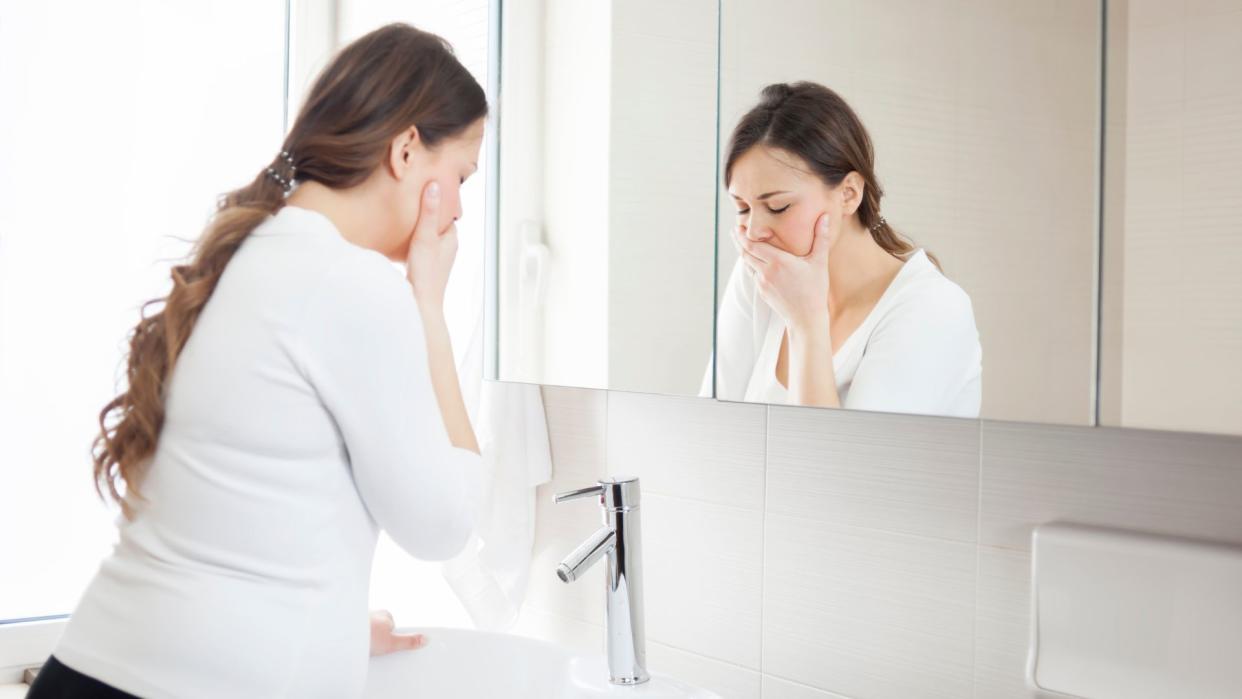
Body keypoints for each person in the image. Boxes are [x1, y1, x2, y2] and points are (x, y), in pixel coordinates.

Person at [28, 23, 487, 698]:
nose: (459, 209)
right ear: (408, 150)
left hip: (98, 672)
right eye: (460, 175)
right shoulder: (351, 286)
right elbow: (444, 523)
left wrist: (328, 625)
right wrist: (428, 306)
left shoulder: (249, 256)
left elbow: (235, 506)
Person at [710, 82, 982, 418]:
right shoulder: (760, 277)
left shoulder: (933, 309)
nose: (753, 233)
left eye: (778, 207)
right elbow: (711, 432)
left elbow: (842, 465)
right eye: (743, 208)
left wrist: (806, 321)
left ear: (849, 194)